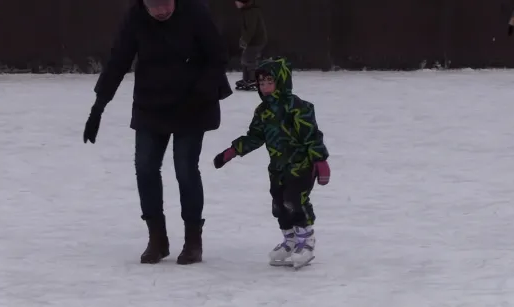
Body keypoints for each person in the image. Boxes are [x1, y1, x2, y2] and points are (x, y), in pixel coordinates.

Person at [83, 0, 232, 265]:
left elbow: (218, 55)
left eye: (165, 3)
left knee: (185, 168)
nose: (160, 11)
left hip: (192, 103)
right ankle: (157, 239)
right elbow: (119, 60)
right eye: (153, 5)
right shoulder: (136, 17)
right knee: (145, 167)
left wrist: (202, 91)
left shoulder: (195, 11)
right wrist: (99, 106)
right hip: (151, 103)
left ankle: (193, 241)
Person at [212, 56, 330, 269]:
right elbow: (255, 136)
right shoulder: (263, 110)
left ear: (281, 81)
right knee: (278, 204)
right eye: (262, 82)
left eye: (270, 81)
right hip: (277, 167)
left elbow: (311, 134)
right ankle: (290, 240)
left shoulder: (297, 106)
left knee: (295, 200)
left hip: (301, 164)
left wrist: (320, 160)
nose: (265, 86)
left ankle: (306, 240)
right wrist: (232, 151)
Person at [234, 0, 268, 91]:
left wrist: (244, 41)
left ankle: (253, 79)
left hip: (257, 40)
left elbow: (251, 29)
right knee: (244, 59)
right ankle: (246, 79)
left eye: (237, 1)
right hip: (252, 40)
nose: (236, 3)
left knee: (249, 60)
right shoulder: (246, 11)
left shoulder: (251, 11)